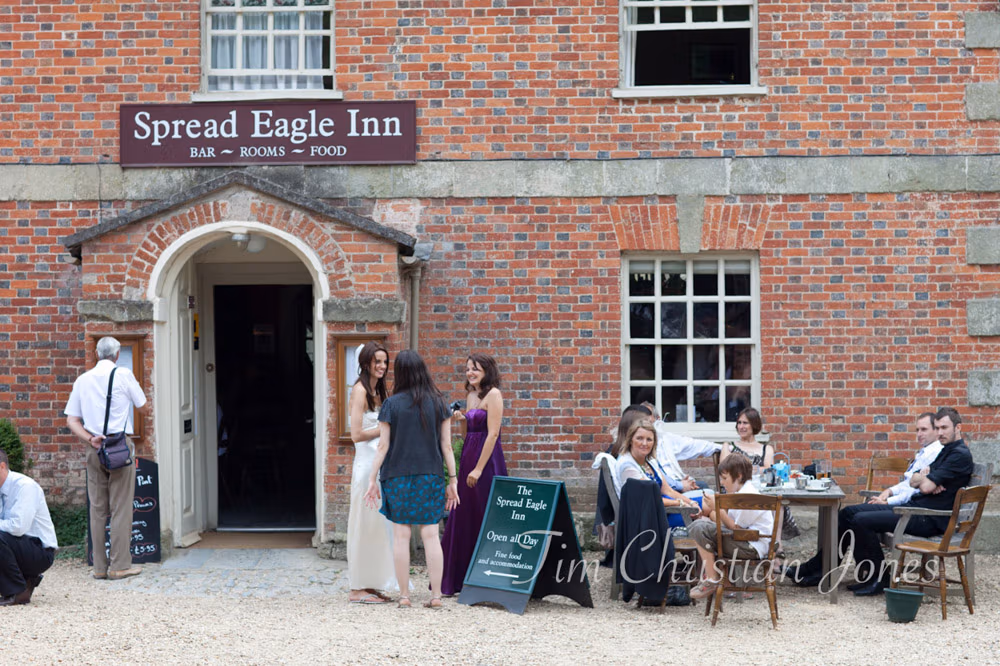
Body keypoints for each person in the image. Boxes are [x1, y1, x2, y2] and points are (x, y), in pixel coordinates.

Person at [792, 408, 973, 596]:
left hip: (928, 517)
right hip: (916, 509)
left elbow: (925, 487)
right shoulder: (947, 450)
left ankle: (878, 578)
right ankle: (830, 569)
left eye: (944, 427)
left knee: (861, 520)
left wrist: (924, 480)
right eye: (938, 428)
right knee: (848, 513)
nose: (940, 432)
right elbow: (913, 480)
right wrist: (922, 478)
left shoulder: (958, 454)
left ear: (958, 427)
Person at [364, 350, 459, 609]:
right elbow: (447, 447)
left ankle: (405, 596)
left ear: (401, 372)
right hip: (431, 475)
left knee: (401, 536)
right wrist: (453, 480)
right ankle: (436, 596)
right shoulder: (440, 402)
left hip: (397, 476)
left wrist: (372, 478)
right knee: (431, 535)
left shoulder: (391, 405)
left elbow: (383, 447)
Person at [65, 336, 147, 581]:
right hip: (119, 445)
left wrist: (90, 439)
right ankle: (119, 565)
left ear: (96, 353)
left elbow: (71, 420)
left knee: (98, 508)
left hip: (95, 447)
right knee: (121, 507)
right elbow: (143, 406)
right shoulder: (123, 375)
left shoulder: (83, 379)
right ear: (118, 353)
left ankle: (99, 567)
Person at [440, 353, 508, 597]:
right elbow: (468, 432)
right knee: (465, 514)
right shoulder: (470, 395)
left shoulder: (494, 395)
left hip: (487, 461)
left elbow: (492, 434)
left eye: (475, 369)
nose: (470, 373)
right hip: (469, 453)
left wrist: (479, 469)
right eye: (468, 369)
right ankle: (460, 579)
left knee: (484, 514)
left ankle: (488, 578)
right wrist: (461, 419)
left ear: (487, 371)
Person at [346, 341, 397, 604]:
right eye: (377, 361)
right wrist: (385, 428)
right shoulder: (359, 391)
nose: (382, 366)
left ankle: (374, 583)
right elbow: (356, 435)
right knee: (365, 525)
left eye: (384, 362)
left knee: (379, 526)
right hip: (366, 466)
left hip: (381, 464)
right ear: (366, 363)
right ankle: (357, 588)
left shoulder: (380, 391)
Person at [688, 454, 774, 600]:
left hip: (752, 547)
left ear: (739, 476)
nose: (722, 483)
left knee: (698, 528)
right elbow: (728, 524)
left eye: (725, 478)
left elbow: (736, 529)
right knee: (700, 526)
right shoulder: (741, 493)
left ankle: (713, 579)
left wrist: (718, 508)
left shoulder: (747, 496)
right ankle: (719, 580)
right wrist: (711, 514)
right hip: (747, 542)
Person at [721, 407, 799, 540]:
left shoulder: (766, 448)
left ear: (754, 425)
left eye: (745, 423)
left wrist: (743, 468)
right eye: (739, 423)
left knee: (777, 502)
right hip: (737, 491)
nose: (741, 426)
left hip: (762, 490)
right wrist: (758, 468)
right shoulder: (729, 446)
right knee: (768, 501)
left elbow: (769, 470)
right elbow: (725, 469)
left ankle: (776, 545)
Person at [615, 419, 701, 524]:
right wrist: (680, 503)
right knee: (708, 511)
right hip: (648, 520)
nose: (644, 443)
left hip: (665, 510)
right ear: (630, 440)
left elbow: (668, 491)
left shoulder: (650, 461)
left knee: (710, 510)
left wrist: (691, 502)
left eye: (649, 439)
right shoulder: (627, 466)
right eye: (639, 438)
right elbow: (649, 500)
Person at [0, 451, 58, 606]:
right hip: (19, 547)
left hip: (40, 552)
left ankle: (18, 591)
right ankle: (24, 580)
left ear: (2, 466)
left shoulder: (25, 486)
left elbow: (18, 527)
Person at [641, 402, 722, 494]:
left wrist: (726, 447)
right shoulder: (642, 449)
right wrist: (681, 485)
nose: (645, 420)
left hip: (676, 482)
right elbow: (657, 477)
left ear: (657, 419)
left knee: (704, 487)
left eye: (648, 415)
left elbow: (694, 445)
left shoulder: (665, 438)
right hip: (668, 490)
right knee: (708, 494)